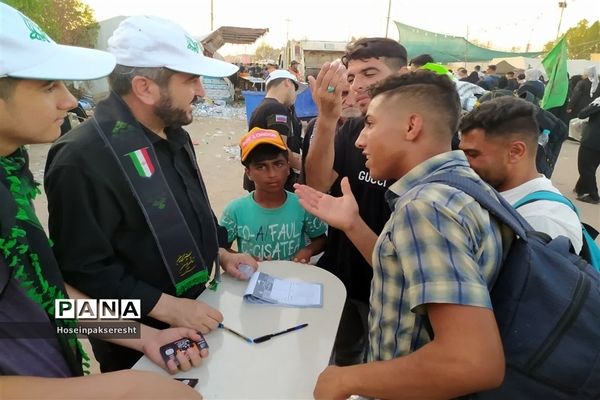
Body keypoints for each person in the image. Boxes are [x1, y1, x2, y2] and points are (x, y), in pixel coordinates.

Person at [0, 4, 205, 398]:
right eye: (47, 86)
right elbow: (84, 270)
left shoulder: (10, 176)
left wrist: (145, 337)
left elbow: (55, 299)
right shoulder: (80, 157)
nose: (68, 101)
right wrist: (120, 386)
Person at [44, 15, 258, 372]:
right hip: (141, 346)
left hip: (199, 310)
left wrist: (219, 252)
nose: (202, 91)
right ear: (145, 87)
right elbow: (83, 275)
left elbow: (185, 215)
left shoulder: (175, 134)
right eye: (190, 79)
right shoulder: (81, 159)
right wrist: (166, 310)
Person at [296, 71, 505, 399]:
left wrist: (348, 379)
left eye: (370, 123)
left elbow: (472, 361)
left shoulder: (426, 207)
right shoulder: (460, 186)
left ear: (411, 126)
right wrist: (352, 224)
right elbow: (405, 274)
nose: (359, 140)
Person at [304, 37, 408, 366]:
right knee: (346, 354)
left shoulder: (430, 140)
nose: (358, 85)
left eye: (370, 73)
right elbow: (318, 183)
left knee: (384, 365)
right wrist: (327, 118)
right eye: (351, 77)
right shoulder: (351, 130)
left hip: (394, 288)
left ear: (402, 74)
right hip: (342, 277)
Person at [459, 96, 583, 251]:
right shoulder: (496, 192)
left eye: (472, 154)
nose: (463, 161)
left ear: (516, 152)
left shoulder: (542, 221)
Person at [221, 128, 327, 262]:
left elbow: (321, 239)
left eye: (278, 164)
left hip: (292, 280)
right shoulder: (235, 211)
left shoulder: (302, 204)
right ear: (248, 173)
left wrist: (307, 250)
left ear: (288, 168)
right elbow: (221, 248)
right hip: (252, 279)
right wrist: (240, 258)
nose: (272, 174)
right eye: (261, 167)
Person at [246, 69, 307, 192]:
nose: (295, 96)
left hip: (261, 178)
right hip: (274, 181)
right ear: (287, 83)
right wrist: (308, 169)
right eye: (295, 90)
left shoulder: (260, 108)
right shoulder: (277, 109)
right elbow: (282, 150)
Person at [574, 97, 600, 204]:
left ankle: (593, 195)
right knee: (591, 166)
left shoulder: (598, 104)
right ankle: (580, 188)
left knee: (585, 168)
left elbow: (582, 114)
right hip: (595, 142)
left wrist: (595, 104)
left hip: (592, 141)